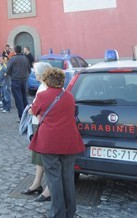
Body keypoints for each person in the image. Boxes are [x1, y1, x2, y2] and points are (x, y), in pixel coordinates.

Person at [29, 68, 85, 218]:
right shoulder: (69, 96)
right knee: (67, 177)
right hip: (69, 140)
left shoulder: (42, 95)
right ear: (61, 81)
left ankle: (58, 214)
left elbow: (33, 110)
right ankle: (69, 212)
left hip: (50, 141)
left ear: (47, 80)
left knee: (54, 178)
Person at [22, 62, 53, 202]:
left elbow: (40, 108)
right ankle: (36, 184)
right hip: (39, 125)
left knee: (46, 159)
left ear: (41, 74)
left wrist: (31, 110)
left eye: (35, 71)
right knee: (39, 158)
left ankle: (49, 190)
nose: (33, 73)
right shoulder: (42, 85)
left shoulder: (47, 87)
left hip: (44, 126)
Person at [5, 45, 31, 119]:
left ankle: (22, 117)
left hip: (15, 80)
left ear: (15, 51)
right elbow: (29, 69)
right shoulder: (25, 58)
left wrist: (10, 74)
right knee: (24, 98)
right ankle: (27, 115)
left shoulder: (13, 59)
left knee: (18, 99)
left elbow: (8, 70)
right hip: (24, 80)